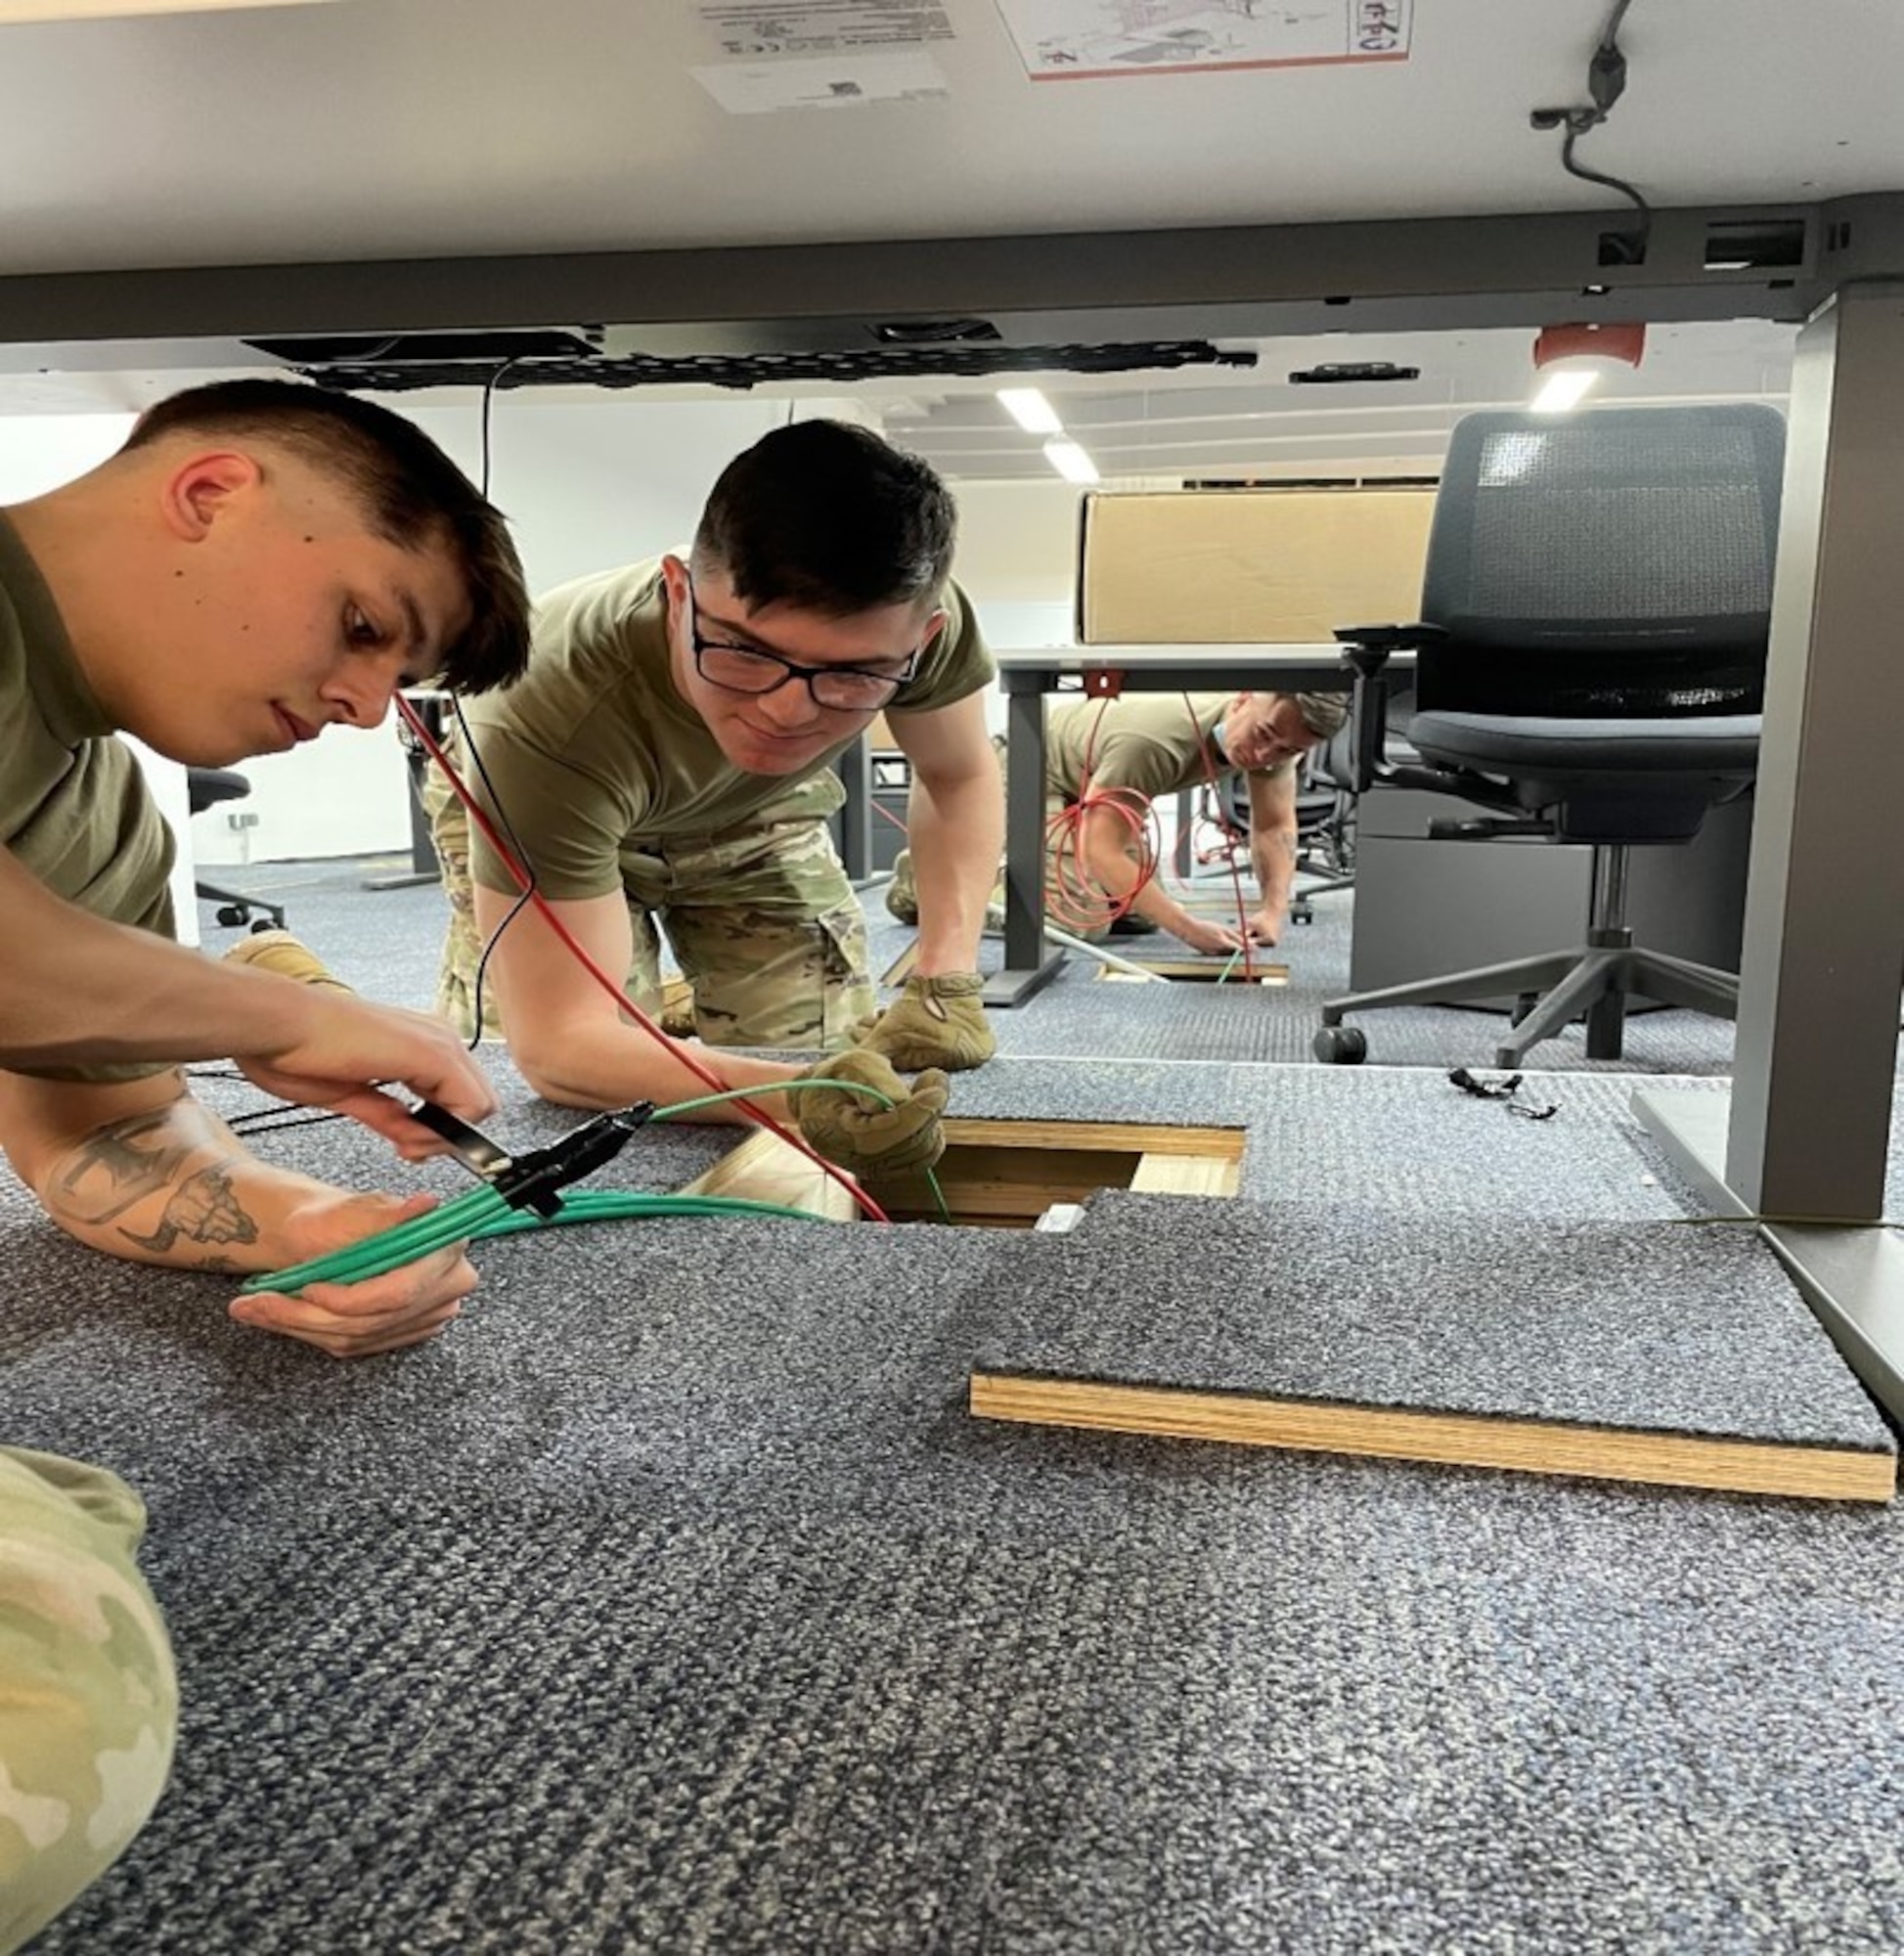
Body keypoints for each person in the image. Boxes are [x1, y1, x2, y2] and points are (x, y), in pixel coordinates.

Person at [0, 379, 530, 1948]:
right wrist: (259, 1014)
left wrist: (312, 1221)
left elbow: (91, 1124)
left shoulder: (96, 818)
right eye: (366, 624)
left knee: (68, 1659)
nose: (367, 703)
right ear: (211, 489)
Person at [426, 420, 1002, 1170]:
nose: (786, 711)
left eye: (851, 675)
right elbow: (562, 1048)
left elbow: (957, 775)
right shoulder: (543, 706)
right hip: (569, 795)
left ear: (919, 641)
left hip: (755, 811)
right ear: (677, 593)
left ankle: (671, 1001)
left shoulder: (919, 625)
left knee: (825, 1053)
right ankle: (645, 979)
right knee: (548, 1108)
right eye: (743, 652)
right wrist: (789, 1097)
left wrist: (945, 973)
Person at [890, 689, 1347, 955]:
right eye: (1265, 735)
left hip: (1093, 783)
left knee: (1138, 918)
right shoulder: (1155, 740)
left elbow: (1273, 828)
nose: (1266, 755)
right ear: (1242, 701)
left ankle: (997, 875)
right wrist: (1190, 930)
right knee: (1076, 923)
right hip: (1031, 767)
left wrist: (1272, 912)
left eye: (1286, 750)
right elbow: (1101, 849)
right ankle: (922, 880)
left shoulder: (1275, 743)